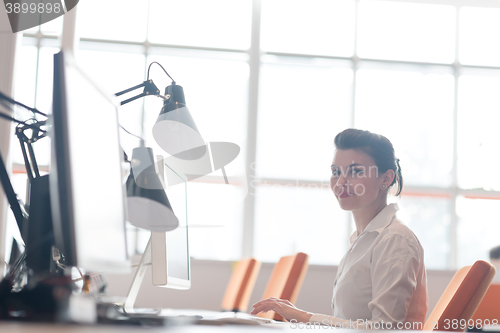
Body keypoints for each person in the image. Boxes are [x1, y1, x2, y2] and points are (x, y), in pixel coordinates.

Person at [251, 129, 428, 329]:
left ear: (386, 179)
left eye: (356, 171)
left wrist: (304, 317)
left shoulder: (395, 239)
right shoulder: (362, 239)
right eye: (336, 172)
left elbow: (384, 328)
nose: (341, 182)